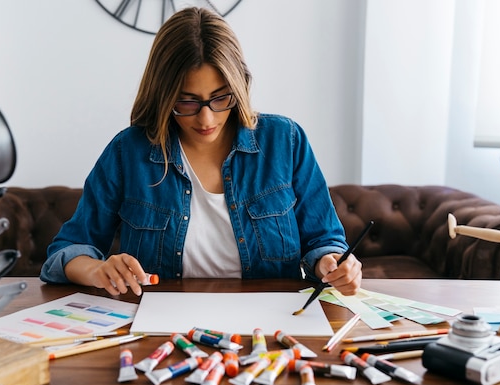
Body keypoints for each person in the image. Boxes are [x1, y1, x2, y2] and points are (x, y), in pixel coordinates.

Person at [40, 7, 362, 297]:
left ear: (239, 88)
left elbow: (324, 242)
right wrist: (97, 269)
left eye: (221, 98)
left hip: (271, 325)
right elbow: (64, 253)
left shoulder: (285, 141)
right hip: (161, 327)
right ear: (162, 95)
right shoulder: (128, 153)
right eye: (187, 101)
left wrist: (332, 264)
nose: (206, 119)